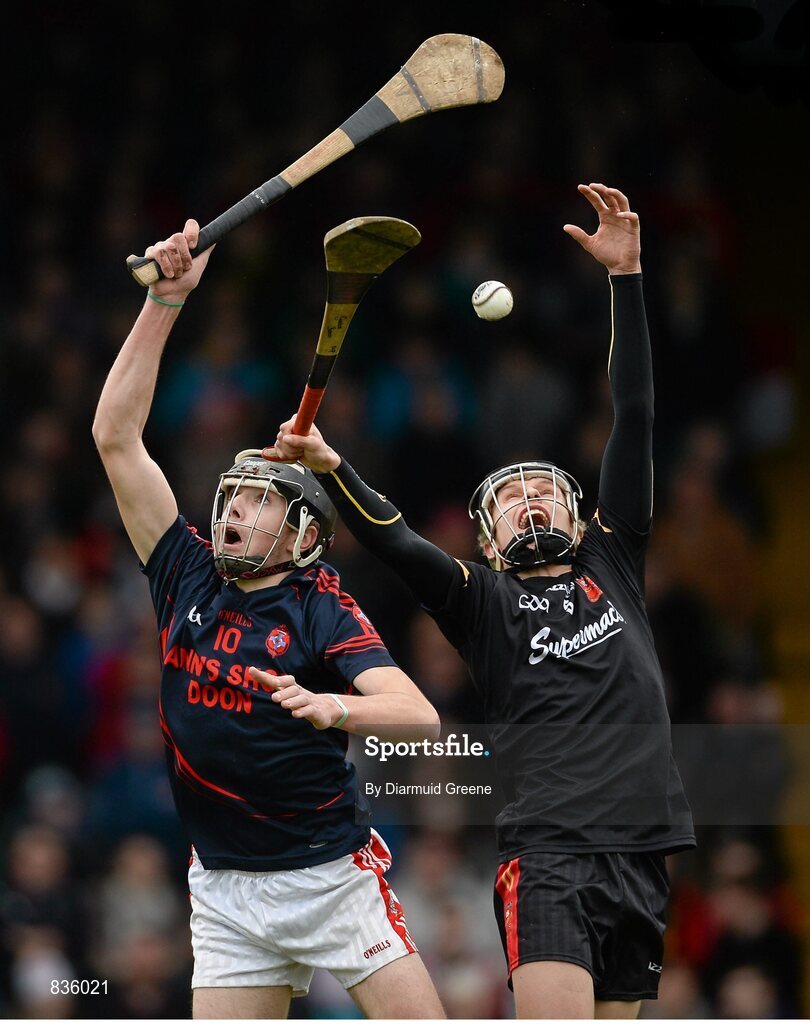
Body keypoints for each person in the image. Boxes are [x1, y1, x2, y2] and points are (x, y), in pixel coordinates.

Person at [270, 183, 697, 1019]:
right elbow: (394, 540)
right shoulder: (481, 602)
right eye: (510, 499)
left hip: (645, 852)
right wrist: (329, 466)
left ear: (580, 517)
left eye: (545, 492)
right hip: (549, 858)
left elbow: (636, 414)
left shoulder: (615, 561)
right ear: (489, 540)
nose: (531, 502)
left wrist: (628, 277)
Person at [92, 221, 445, 1020]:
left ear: (306, 533)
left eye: (255, 501)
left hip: (327, 875)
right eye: (229, 496)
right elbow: (115, 437)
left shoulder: (321, 605)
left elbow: (418, 715)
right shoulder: (183, 568)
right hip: (223, 884)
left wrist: (333, 706)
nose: (230, 512)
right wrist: (166, 303)